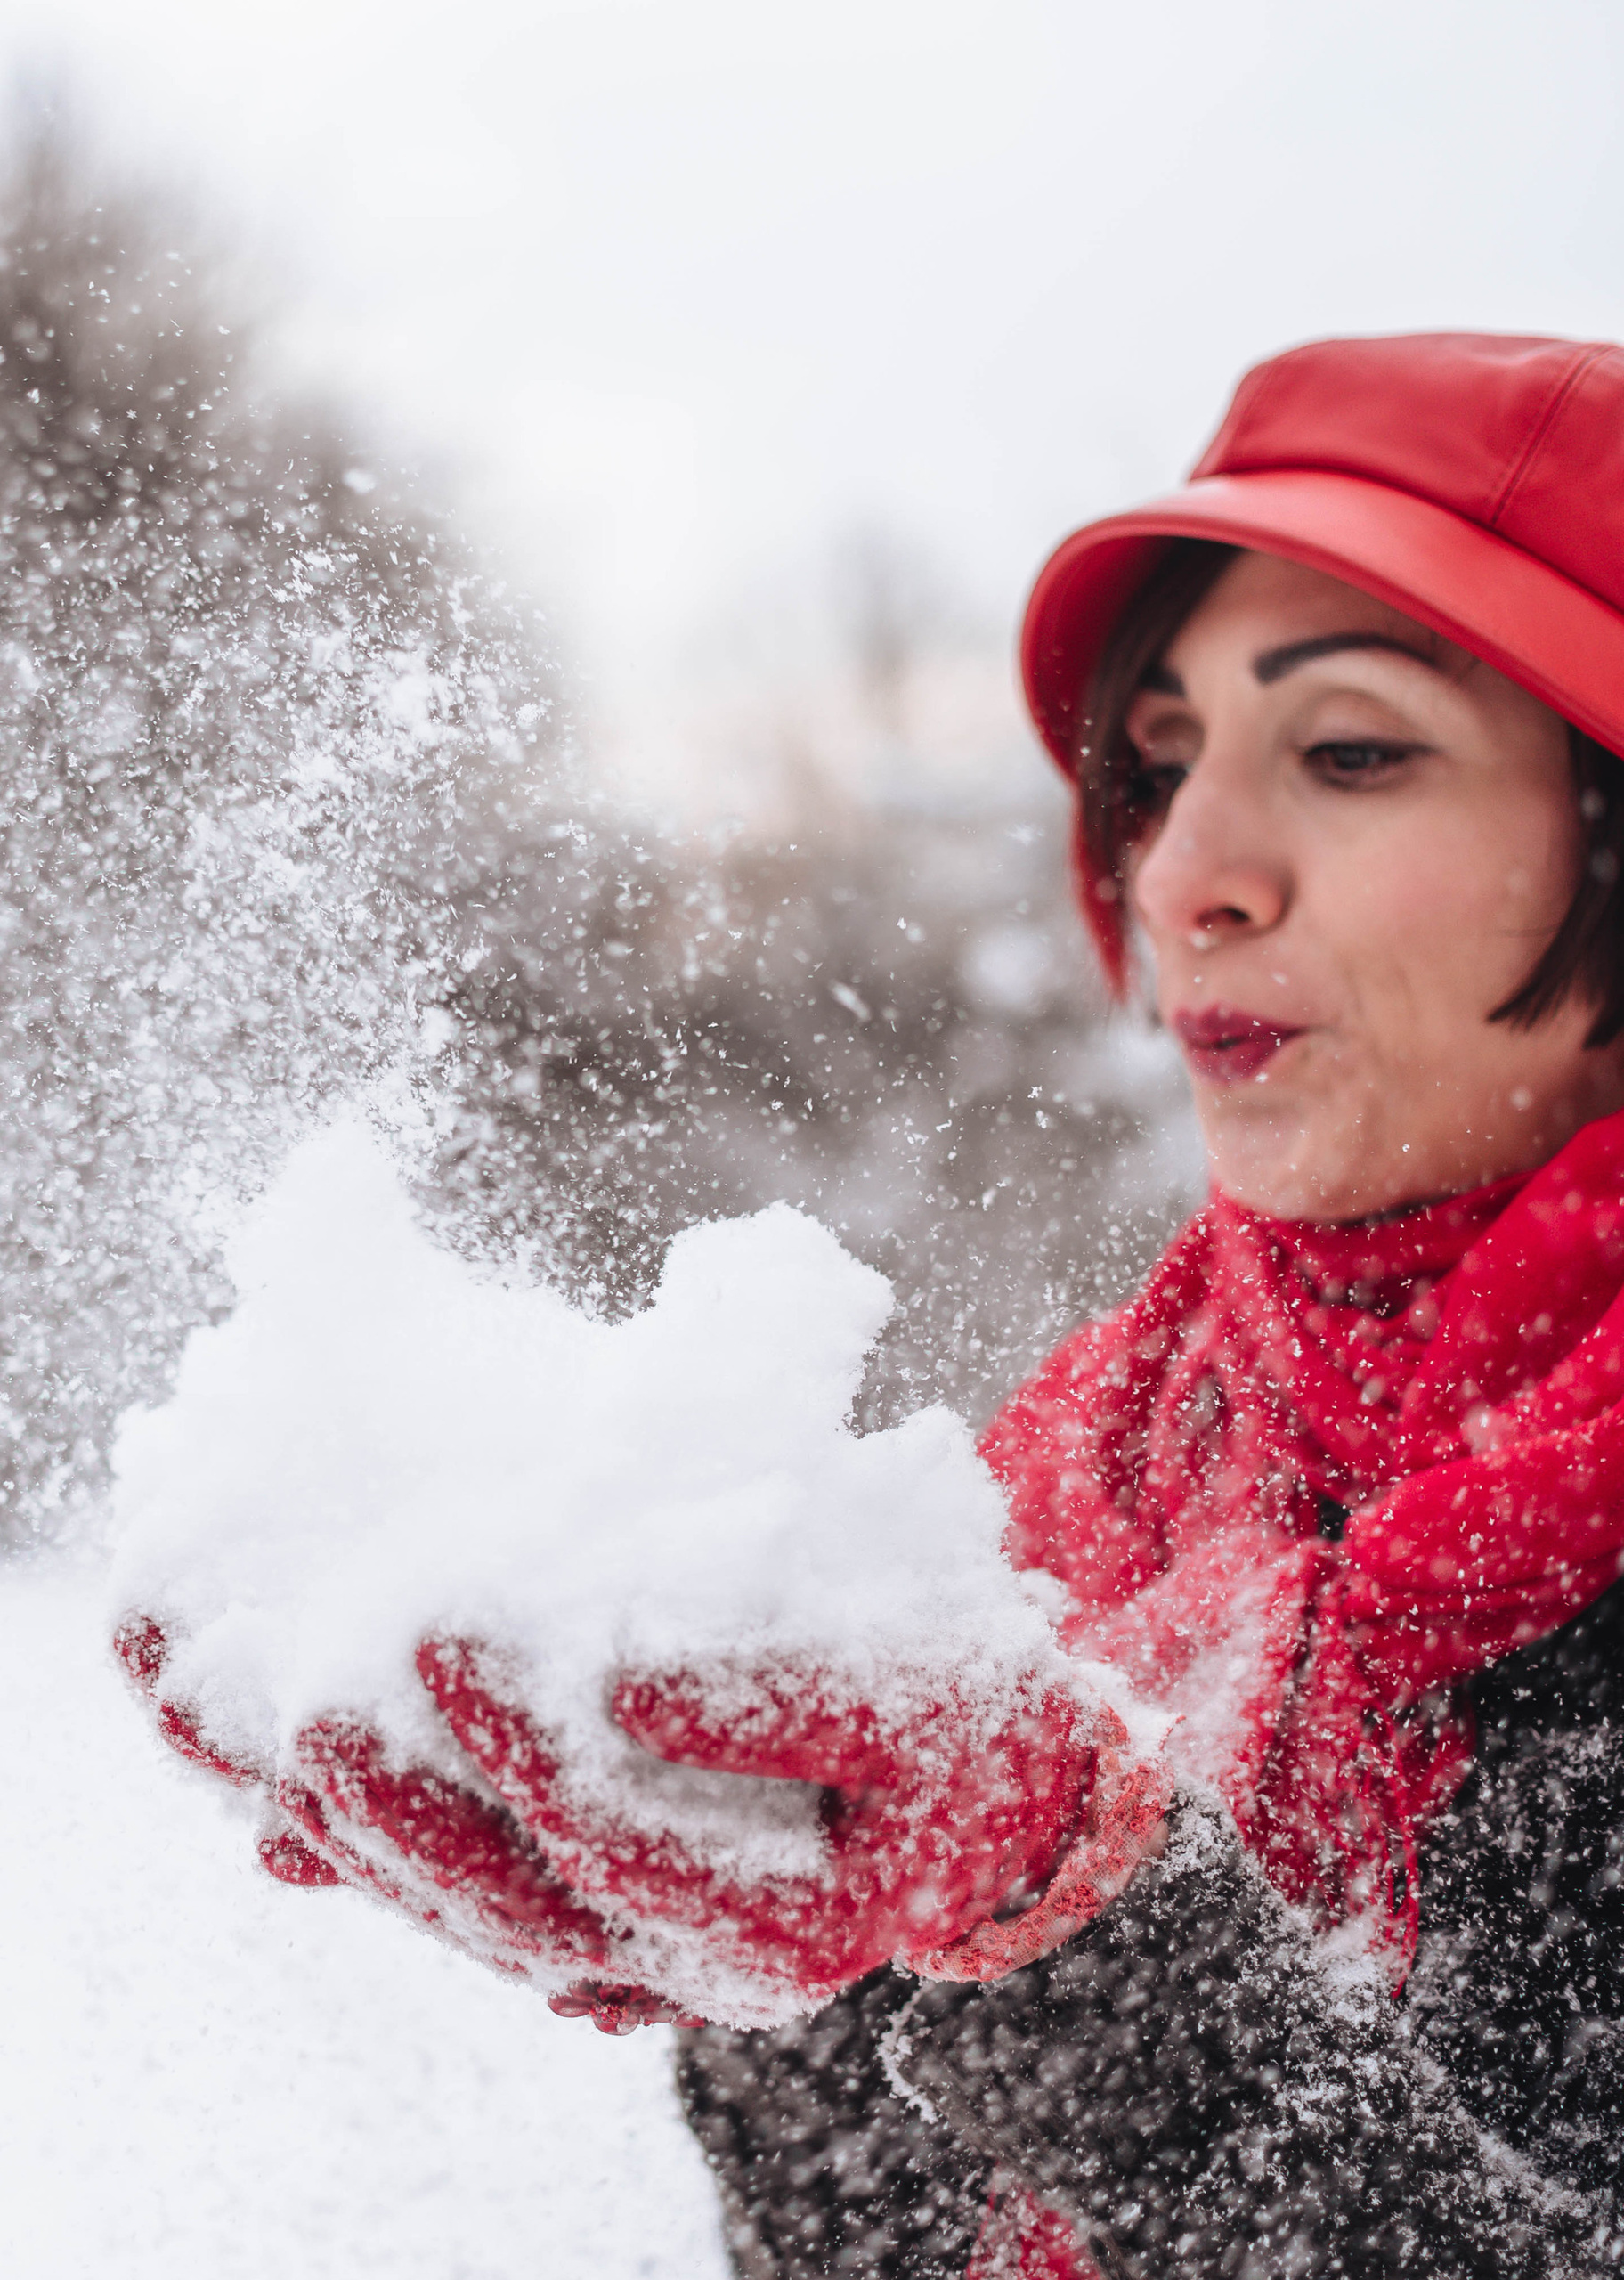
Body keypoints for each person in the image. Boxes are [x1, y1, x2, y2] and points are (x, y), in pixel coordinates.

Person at [126, 334, 1624, 2277]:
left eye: (1350, 750)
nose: (1184, 874)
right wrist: (799, 1952)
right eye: (1159, 764)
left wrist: (1081, 1927)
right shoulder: (1114, 1465)